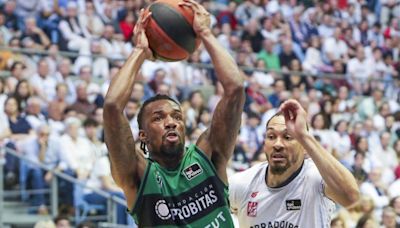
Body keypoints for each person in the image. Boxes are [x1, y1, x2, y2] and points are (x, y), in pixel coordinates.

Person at [103, 0, 245, 227]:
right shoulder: (138, 174)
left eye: (177, 117)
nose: (171, 122)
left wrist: (206, 34)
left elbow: (235, 88)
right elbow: (111, 106)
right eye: (158, 118)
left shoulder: (207, 155)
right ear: (143, 136)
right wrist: (140, 51)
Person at [229, 99, 359, 227]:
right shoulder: (242, 183)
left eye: (287, 137)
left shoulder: (316, 178)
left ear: (304, 146)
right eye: (271, 136)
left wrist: (304, 135)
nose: (278, 144)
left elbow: (351, 197)